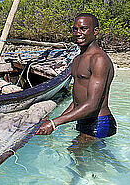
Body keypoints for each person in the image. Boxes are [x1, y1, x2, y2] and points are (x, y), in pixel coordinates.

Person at [36, 13, 116, 145]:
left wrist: (54, 123)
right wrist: (54, 122)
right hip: (83, 120)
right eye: (75, 29)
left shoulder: (98, 59)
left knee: (77, 154)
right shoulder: (77, 59)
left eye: (83, 29)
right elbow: (76, 102)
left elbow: (92, 105)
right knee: (80, 158)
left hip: (99, 122)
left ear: (95, 31)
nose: (78, 33)